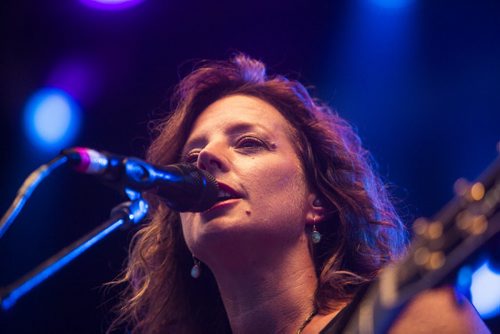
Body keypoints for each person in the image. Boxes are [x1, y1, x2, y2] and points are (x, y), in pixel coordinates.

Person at [109, 54, 489, 333]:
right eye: (191, 156)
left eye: (249, 143)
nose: (205, 157)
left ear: (318, 202)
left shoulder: (414, 321)